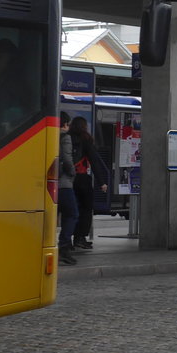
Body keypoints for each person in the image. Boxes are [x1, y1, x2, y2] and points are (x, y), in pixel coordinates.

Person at [69, 116, 110, 251]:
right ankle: (80, 238)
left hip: (68, 179)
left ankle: (67, 239)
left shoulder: (65, 138)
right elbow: (94, 161)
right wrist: (101, 182)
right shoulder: (86, 139)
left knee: (70, 210)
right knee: (86, 209)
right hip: (82, 179)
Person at [57, 111, 78, 266]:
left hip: (49, 183)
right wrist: (72, 173)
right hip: (63, 184)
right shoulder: (65, 137)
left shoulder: (47, 134)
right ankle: (64, 247)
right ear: (65, 124)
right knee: (72, 213)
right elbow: (67, 159)